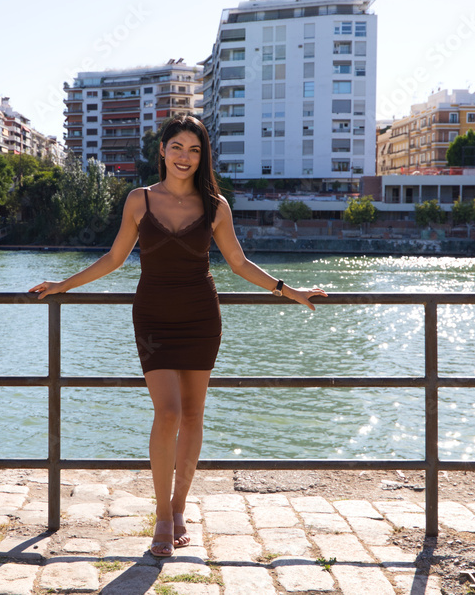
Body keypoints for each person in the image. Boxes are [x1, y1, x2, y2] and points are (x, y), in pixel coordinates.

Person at [29, 114, 326, 558]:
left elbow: (239, 264)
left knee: (192, 417)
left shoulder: (215, 206)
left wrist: (290, 290)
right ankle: (162, 515)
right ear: (162, 151)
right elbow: (113, 258)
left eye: (194, 149)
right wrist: (61, 286)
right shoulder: (139, 199)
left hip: (201, 317)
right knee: (167, 413)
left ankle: (180, 508)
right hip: (153, 317)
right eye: (177, 147)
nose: (185, 157)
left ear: (202, 155)